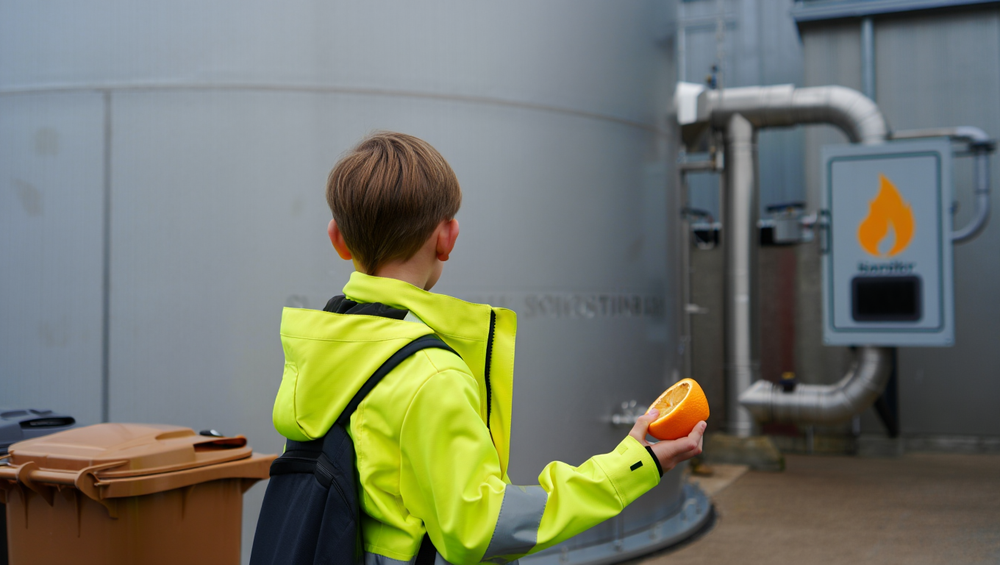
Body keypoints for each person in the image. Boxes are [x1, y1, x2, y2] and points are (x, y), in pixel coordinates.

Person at [271, 131, 706, 565]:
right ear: (447, 237)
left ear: (337, 238)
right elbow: (480, 528)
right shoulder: (431, 374)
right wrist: (629, 468)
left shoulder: (322, 349)